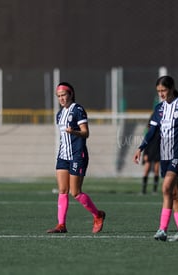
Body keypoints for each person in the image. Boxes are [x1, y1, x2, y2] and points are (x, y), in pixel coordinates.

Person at [133, 75, 178, 242]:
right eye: (158, 91)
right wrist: (140, 147)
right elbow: (151, 132)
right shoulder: (159, 109)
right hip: (164, 155)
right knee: (175, 194)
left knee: (165, 188)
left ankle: (162, 229)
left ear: (171, 89)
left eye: (163, 90)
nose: (161, 94)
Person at [47, 82, 105, 234]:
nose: (61, 98)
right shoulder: (59, 114)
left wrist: (74, 132)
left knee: (76, 192)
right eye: (58, 96)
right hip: (63, 155)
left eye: (63, 95)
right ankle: (61, 225)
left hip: (77, 155)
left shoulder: (78, 110)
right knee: (62, 190)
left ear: (71, 94)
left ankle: (98, 215)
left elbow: (86, 133)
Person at [141, 121, 161, 194]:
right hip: (149, 153)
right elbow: (145, 144)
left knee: (156, 171)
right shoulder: (148, 134)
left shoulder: (159, 133)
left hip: (157, 153)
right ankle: (143, 190)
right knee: (146, 171)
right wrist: (145, 154)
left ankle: (154, 190)